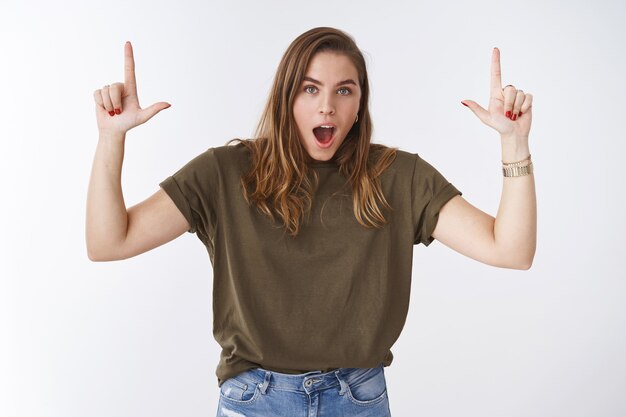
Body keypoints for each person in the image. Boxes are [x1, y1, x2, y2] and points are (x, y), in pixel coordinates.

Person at [86, 27, 536, 417]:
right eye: (309, 89)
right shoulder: (223, 173)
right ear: (287, 97)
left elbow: (510, 250)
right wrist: (111, 139)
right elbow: (109, 242)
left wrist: (515, 144)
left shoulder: (400, 177)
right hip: (255, 399)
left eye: (344, 90)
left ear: (360, 103)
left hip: (357, 398)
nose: (327, 107)